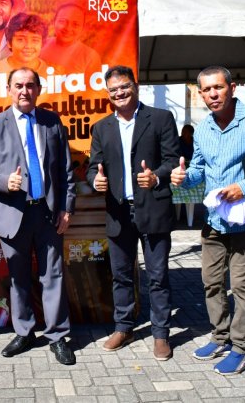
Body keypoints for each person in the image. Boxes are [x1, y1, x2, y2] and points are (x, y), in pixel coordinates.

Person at [170, 66, 245, 376]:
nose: (213, 94)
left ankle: (241, 348)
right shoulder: (203, 128)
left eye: (218, 88)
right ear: (200, 93)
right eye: (206, 90)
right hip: (214, 220)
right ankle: (220, 337)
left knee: (241, 285)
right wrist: (183, 179)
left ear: (232, 88)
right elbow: (198, 171)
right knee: (211, 283)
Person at [0, 68, 77, 365]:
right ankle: (24, 332)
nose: (24, 91)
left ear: (38, 89)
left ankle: (57, 336)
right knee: (18, 278)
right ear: (8, 89)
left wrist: (67, 208)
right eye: (18, 85)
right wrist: (4, 181)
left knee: (53, 276)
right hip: (13, 215)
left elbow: (66, 172)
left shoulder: (52, 122)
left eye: (30, 85)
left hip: (47, 215)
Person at [86, 65, 179, 360]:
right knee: (122, 275)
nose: (119, 93)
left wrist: (156, 177)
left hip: (153, 209)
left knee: (157, 275)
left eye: (124, 87)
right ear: (108, 94)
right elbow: (93, 166)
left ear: (135, 86)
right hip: (118, 211)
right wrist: (94, 180)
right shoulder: (101, 128)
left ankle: (161, 334)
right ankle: (123, 327)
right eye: (113, 90)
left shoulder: (161, 118)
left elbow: (172, 160)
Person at [40, 3, 101, 75]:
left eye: (75, 24)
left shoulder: (90, 57)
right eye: (62, 21)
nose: (68, 28)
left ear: (83, 27)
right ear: (54, 22)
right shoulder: (40, 45)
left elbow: (93, 86)